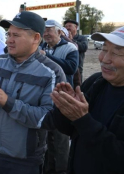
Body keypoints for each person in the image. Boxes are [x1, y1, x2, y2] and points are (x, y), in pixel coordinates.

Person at [0, 11, 66, 174]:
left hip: (24, 161)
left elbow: (49, 119)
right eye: (9, 34)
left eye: (16, 35)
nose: (9, 40)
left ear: (36, 38)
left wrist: (8, 102)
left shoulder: (51, 72)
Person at [41, 26, 124, 174]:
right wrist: (65, 108)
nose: (104, 59)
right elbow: (70, 130)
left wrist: (82, 119)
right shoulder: (96, 82)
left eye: (116, 52)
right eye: (104, 49)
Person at [40, 19, 79, 174]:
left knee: (61, 138)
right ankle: (48, 169)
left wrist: (47, 57)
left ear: (59, 32)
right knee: (46, 137)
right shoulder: (42, 47)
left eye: (50, 31)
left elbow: (71, 68)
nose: (46, 34)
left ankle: (62, 170)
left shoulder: (70, 47)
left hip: (63, 99)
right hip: (45, 98)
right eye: (44, 31)